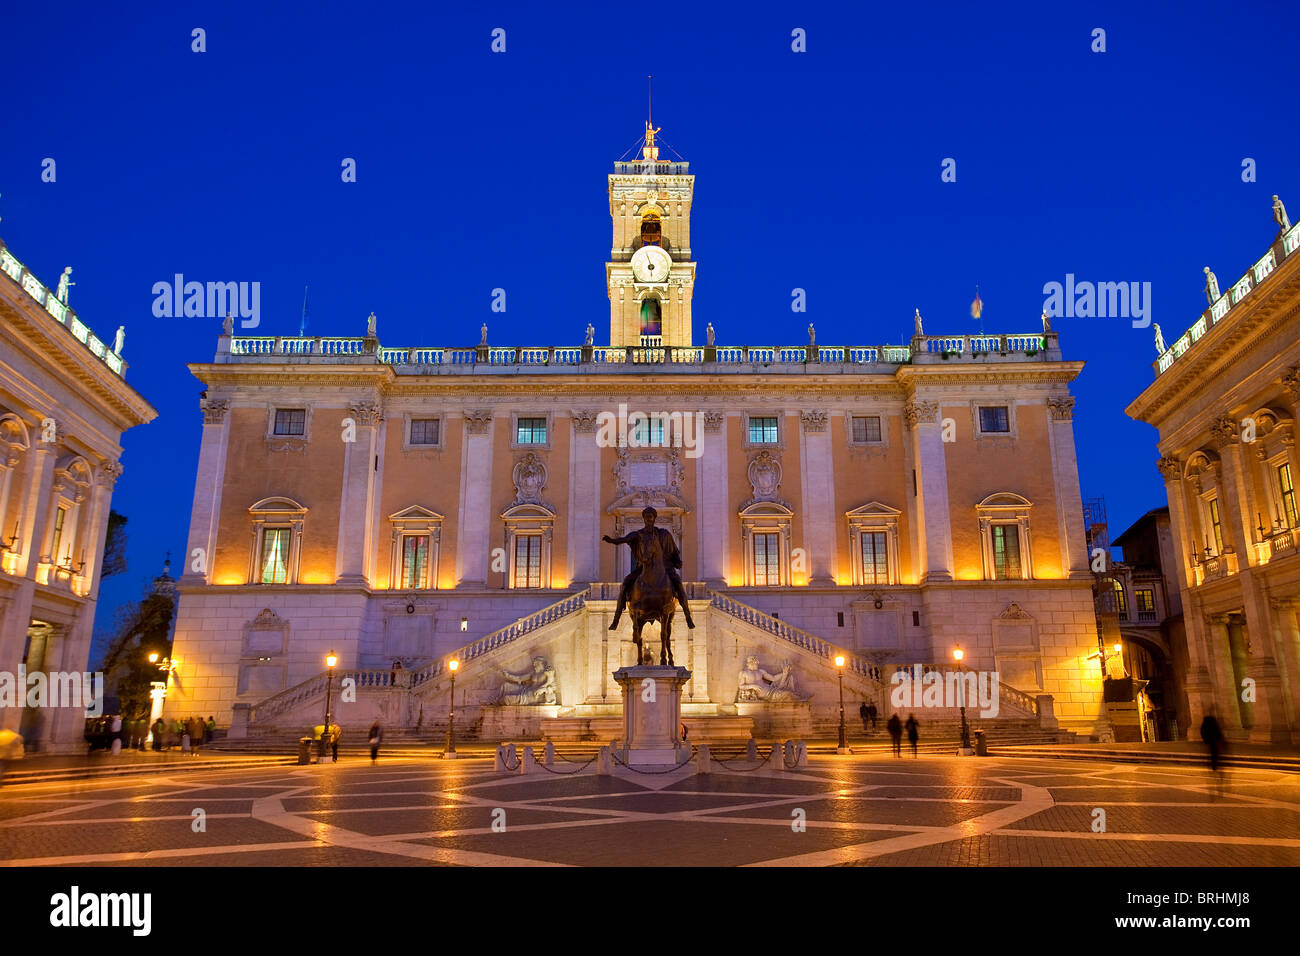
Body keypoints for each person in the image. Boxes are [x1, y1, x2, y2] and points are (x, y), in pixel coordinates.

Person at [604, 506, 696, 629]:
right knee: (625, 584)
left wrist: (677, 561)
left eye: (650, 516)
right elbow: (623, 539)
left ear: (654, 518)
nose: (648, 519)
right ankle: (616, 619)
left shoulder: (664, 534)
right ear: (644, 519)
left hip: (665, 568)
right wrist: (612, 541)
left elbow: (673, 550)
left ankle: (688, 616)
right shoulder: (638, 535)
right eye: (646, 517)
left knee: (678, 584)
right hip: (642, 568)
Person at [1200, 710, 1226, 795]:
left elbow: (1203, 733)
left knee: (1213, 764)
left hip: (1210, 746)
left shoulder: (1205, 725)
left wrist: (1205, 741)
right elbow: (1219, 735)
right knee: (1217, 763)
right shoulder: (1214, 726)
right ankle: (1220, 780)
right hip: (1215, 746)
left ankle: (1215, 779)